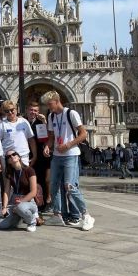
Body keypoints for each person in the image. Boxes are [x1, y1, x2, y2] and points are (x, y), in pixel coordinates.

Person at [42, 91, 94, 231]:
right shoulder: (51, 116)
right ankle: (58, 215)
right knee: (53, 185)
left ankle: (86, 215)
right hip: (57, 156)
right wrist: (47, 146)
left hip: (71, 154)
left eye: (50, 103)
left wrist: (68, 145)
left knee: (69, 186)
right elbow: (52, 136)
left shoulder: (71, 113)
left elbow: (83, 134)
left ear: (57, 100)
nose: (48, 106)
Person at [0, 150, 40, 232]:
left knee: (21, 208)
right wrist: (4, 207)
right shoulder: (10, 173)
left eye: (14, 154)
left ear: (18, 156)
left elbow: (33, 192)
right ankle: (19, 218)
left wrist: (21, 202)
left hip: (28, 200)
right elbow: (6, 191)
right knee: (0, 224)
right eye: (9, 157)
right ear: (8, 161)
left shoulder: (29, 170)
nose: (12, 157)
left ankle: (32, 222)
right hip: (14, 200)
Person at [25, 101, 52, 212]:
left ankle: (43, 203)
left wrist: (45, 122)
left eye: (35, 110)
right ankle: (32, 201)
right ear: (27, 110)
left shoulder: (40, 123)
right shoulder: (23, 122)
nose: (33, 112)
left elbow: (47, 138)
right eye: (31, 110)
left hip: (41, 156)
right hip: (28, 155)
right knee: (29, 179)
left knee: (42, 179)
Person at [0, 100, 37, 167]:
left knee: (24, 177)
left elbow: (31, 139)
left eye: (12, 110)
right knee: (9, 177)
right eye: (7, 111)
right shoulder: (1, 124)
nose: (10, 112)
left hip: (24, 157)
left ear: (16, 109)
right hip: (8, 158)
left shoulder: (24, 121)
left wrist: (35, 156)